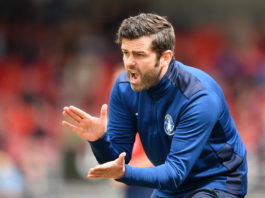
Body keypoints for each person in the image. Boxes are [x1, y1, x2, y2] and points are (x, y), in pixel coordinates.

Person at [62, 13, 248, 198]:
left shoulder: (198, 96)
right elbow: (116, 162)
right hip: (171, 186)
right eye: (126, 53)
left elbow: (174, 173)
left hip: (217, 181)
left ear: (165, 57)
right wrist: (99, 140)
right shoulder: (124, 88)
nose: (129, 63)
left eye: (139, 55)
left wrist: (124, 173)